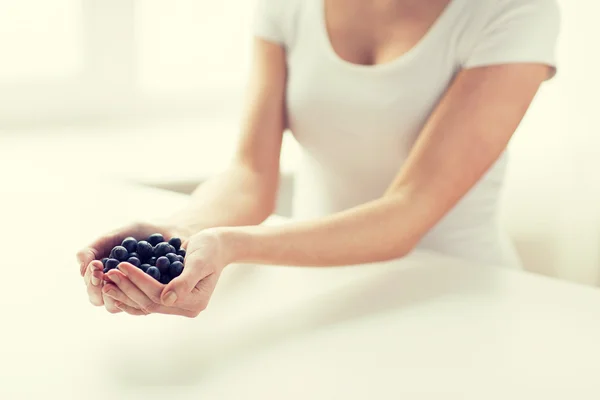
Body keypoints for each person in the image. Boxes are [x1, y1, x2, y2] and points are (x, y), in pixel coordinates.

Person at [78, 0, 560, 317]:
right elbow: (251, 173)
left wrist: (230, 246)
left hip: (457, 294)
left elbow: (409, 211)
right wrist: (180, 232)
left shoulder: (515, 11)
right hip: (320, 293)